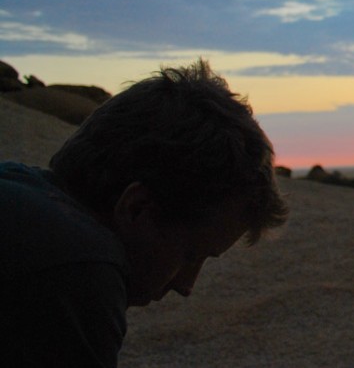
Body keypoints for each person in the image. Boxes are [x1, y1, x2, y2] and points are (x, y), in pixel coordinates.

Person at [0, 59, 288, 367]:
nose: (186, 286)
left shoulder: (18, 190)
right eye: (192, 255)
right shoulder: (76, 270)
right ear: (137, 208)